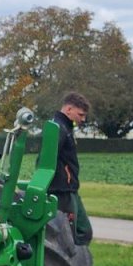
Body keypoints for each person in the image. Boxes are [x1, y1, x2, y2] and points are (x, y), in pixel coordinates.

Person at [47, 92, 93, 246]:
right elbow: (46, 160)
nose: (83, 119)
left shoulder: (66, 129)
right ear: (68, 109)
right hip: (62, 191)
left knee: (83, 232)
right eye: (80, 114)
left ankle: (79, 259)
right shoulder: (57, 128)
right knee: (69, 237)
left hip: (71, 189)